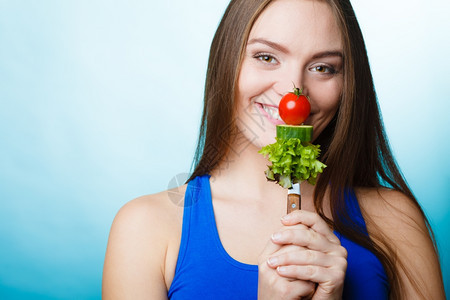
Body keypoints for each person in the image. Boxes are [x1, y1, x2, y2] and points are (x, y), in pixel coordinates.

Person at [102, 0, 445, 299]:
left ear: (348, 84)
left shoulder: (395, 223)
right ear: (227, 64)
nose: (292, 96)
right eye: (266, 57)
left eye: (322, 67)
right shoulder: (145, 229)